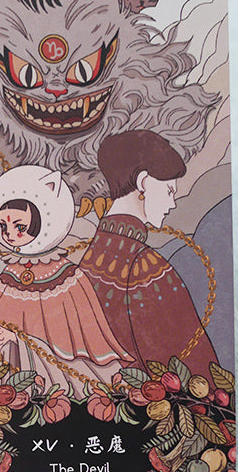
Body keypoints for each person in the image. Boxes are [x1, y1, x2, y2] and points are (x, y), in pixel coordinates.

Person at [0, 165, 132, 397]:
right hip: (8, 380)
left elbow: (67, 346)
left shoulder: (68, 279)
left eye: (20, 226)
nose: (9, 234)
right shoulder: (12, 274)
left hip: (61, 379)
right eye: (4, 226)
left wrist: (16, 338)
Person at [80, 130, 220, 379]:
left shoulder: (92, 256)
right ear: (143, 182)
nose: (172, 203)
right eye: (169, 191)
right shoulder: (145, 266)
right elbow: (191, 363)